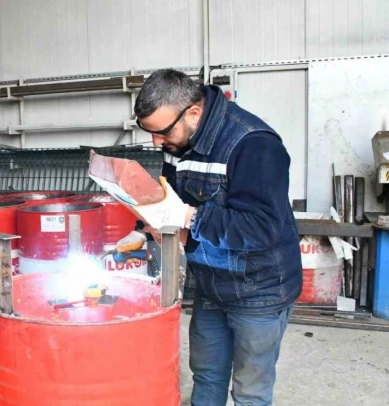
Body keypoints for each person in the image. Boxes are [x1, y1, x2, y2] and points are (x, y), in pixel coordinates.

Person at [115, 69, 302, 406]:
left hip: (259, 290)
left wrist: (190, 217)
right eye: (149, 132)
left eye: (161, 132)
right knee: (207, 376)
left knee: (250, 391)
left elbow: (262, 227)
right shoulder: (178, 139)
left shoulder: (253, 144)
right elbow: (169, 198)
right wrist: (143, 230)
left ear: (194, 113)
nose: (156, 142)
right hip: (211, 283)